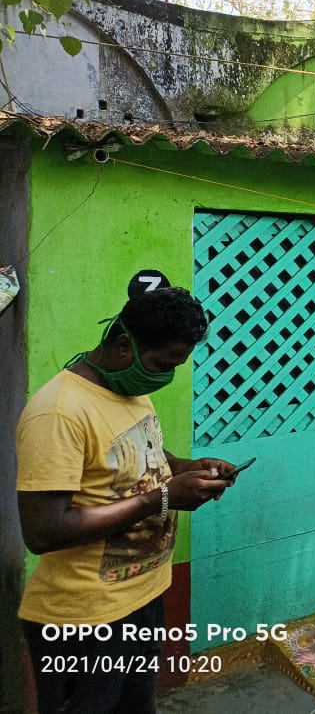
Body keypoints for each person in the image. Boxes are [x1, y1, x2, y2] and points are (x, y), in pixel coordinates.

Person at [17, 276, 236, 714]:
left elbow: (140, 454)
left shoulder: (129, 387)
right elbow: (42, 531)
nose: (165, 376)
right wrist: (164, 499)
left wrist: (188, 468)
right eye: (161, 364)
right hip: (84, 619)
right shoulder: (58, 412)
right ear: (122, 346)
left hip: (143, 599)